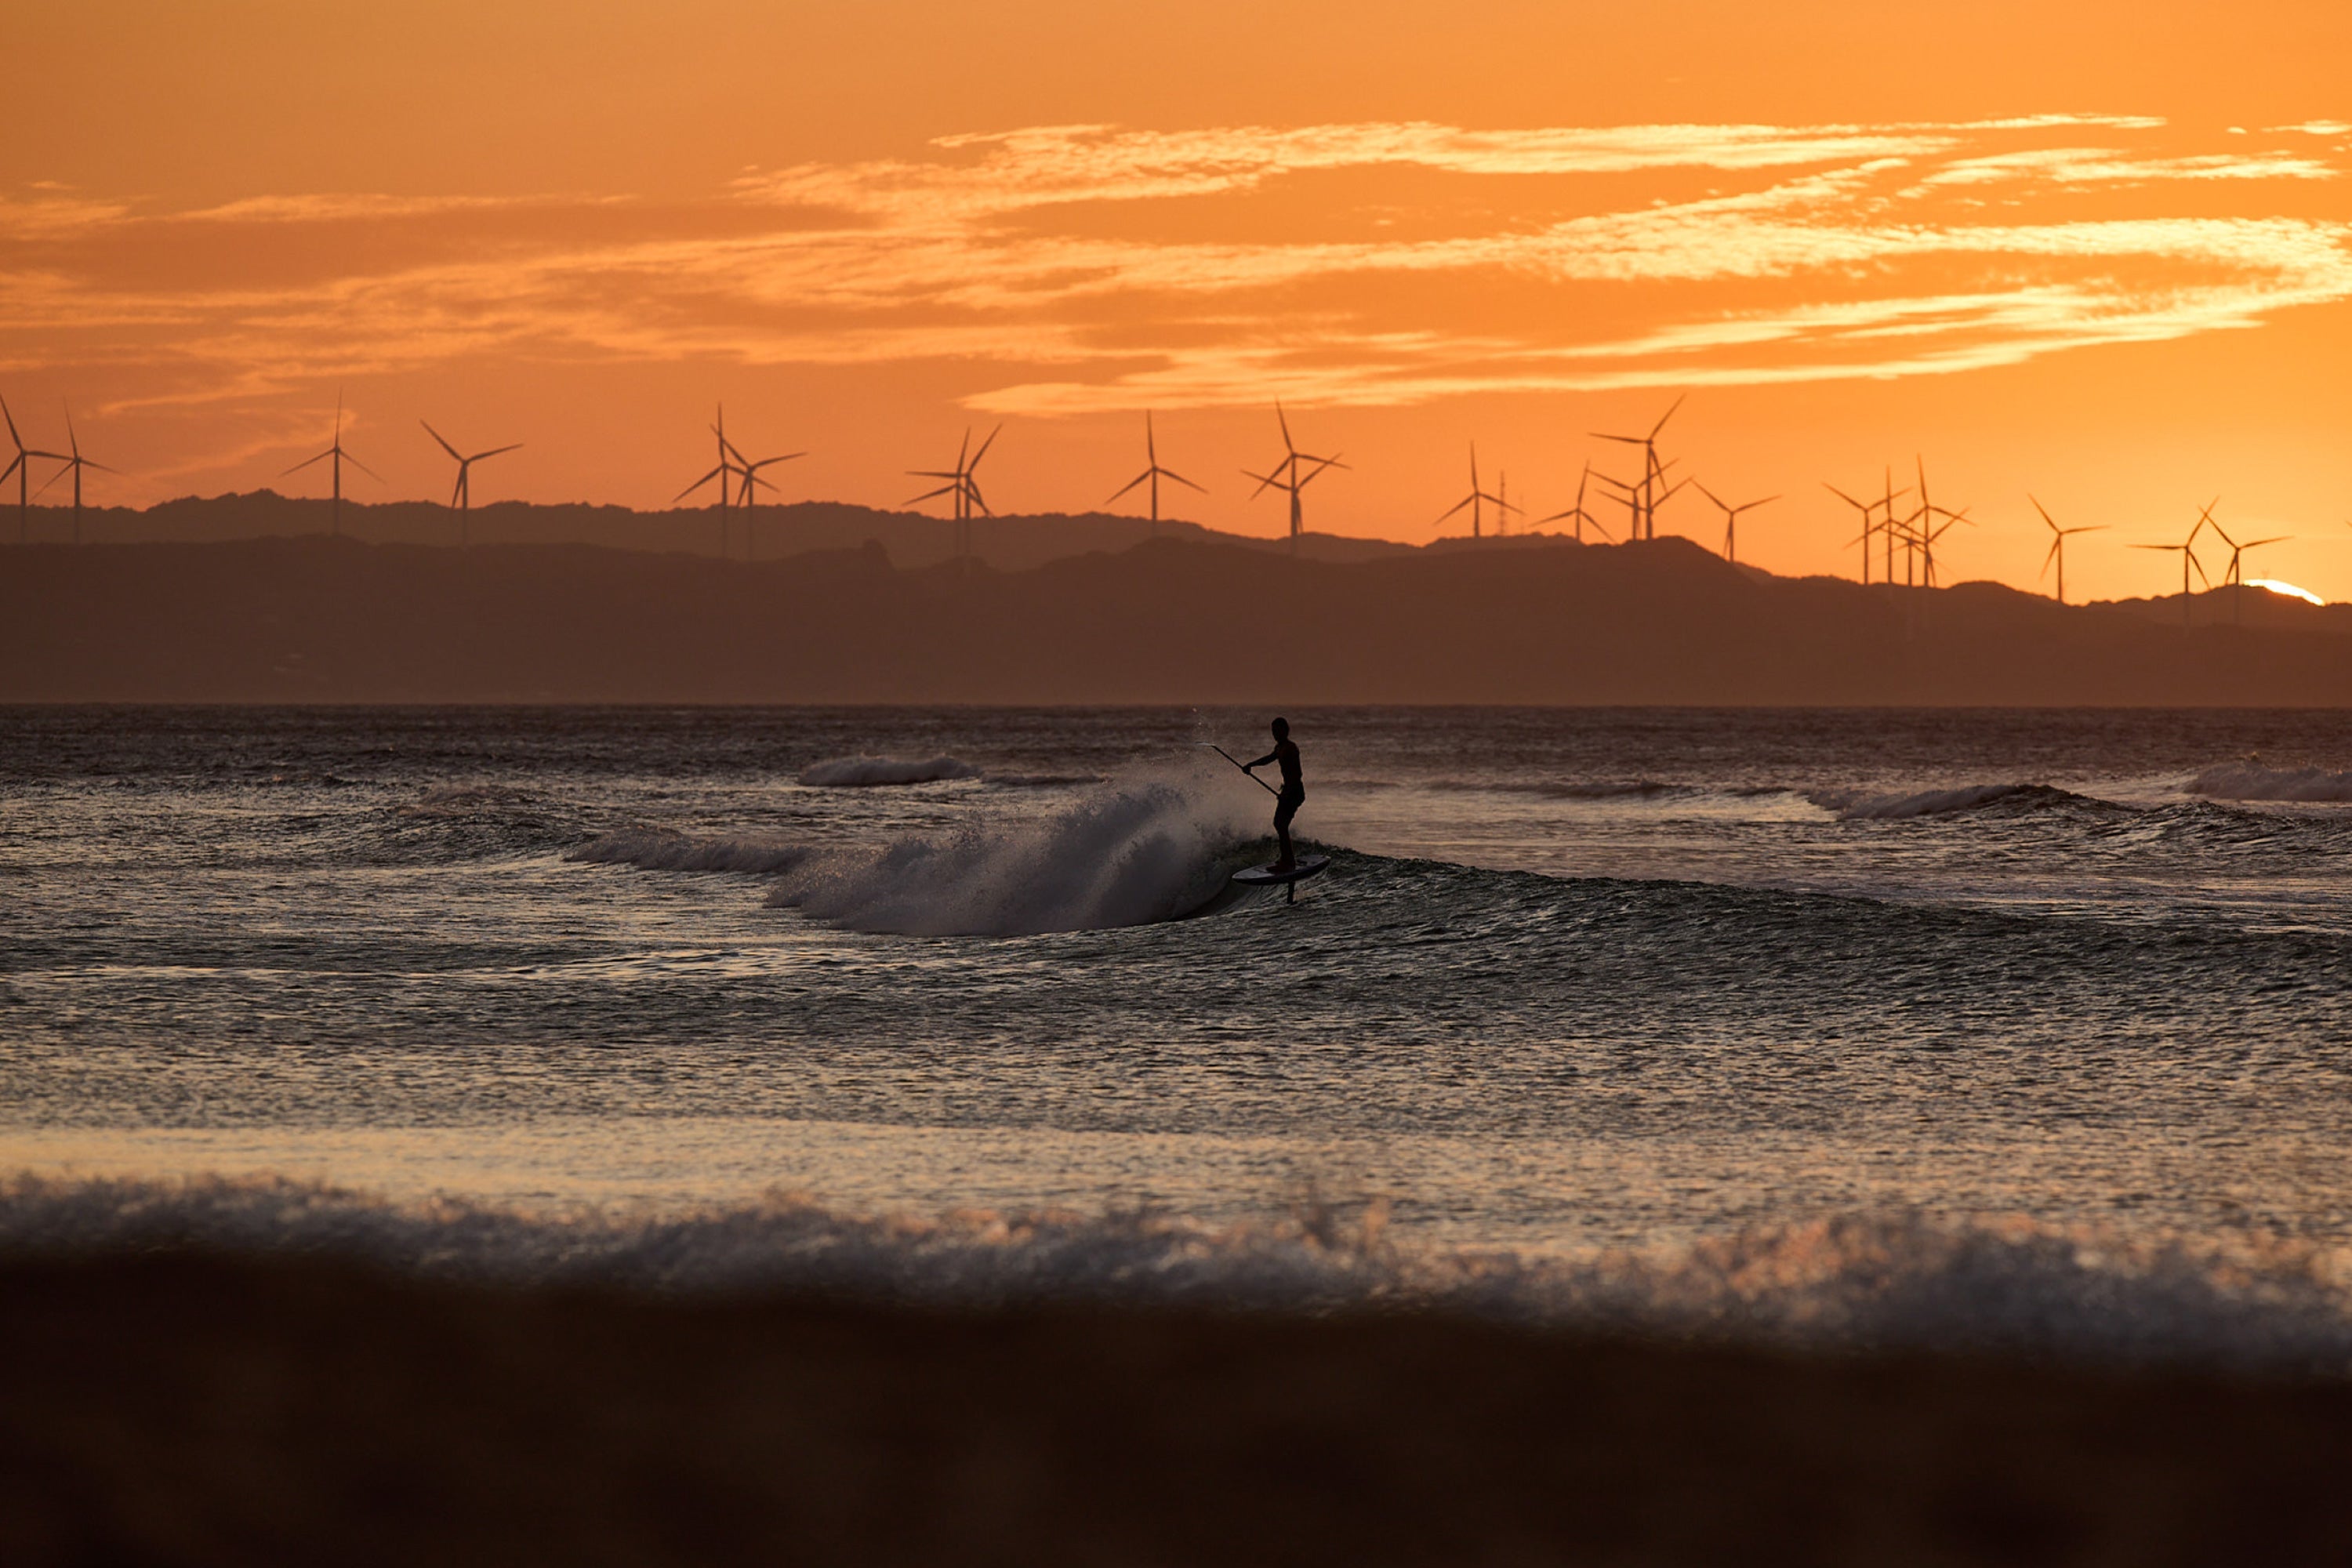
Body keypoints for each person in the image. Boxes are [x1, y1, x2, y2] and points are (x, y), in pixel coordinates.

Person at [1242, 717, 1305, 873]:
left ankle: (1288, 862)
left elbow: (1297, 775)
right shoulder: (1279, 748)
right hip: (1288, 790)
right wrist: (1251, 765)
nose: (1275, 734)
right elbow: (1268, 759)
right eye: (1273, 731)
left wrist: (1287, 793)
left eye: (1277, 731)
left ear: (1286, 730)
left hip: (1294, 792)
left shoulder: (1290, 748)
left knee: (1281, 824)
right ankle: (1286, 859)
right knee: (1279, 824)